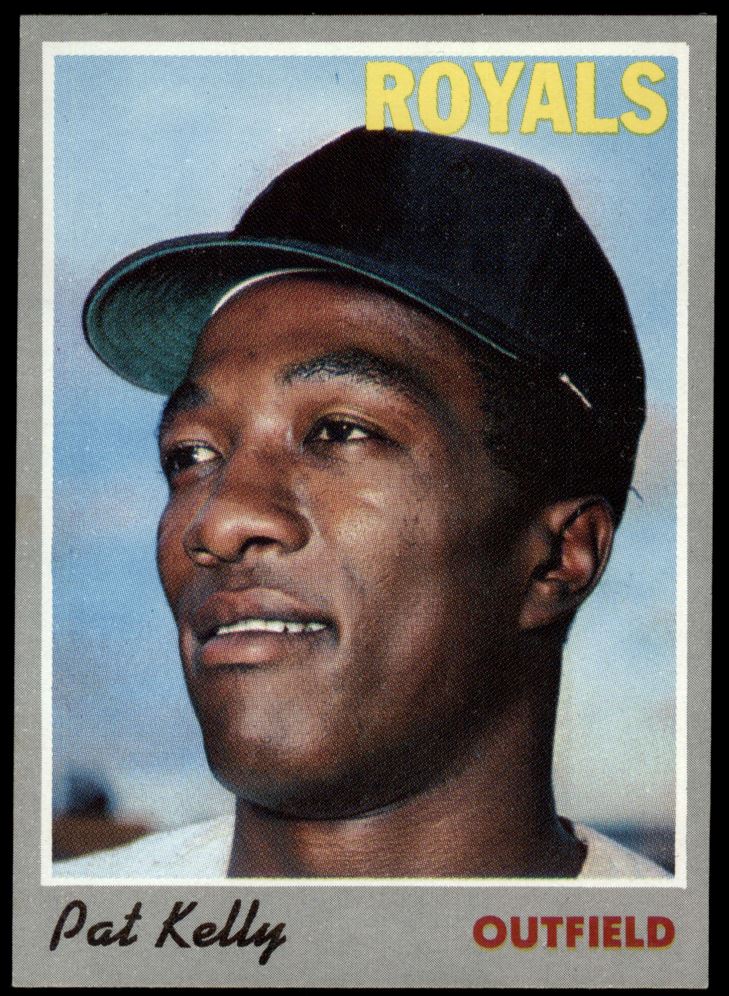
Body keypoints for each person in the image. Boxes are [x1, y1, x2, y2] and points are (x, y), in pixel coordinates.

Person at [55, 127, 669, 879]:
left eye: (340, 432)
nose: (219, 520)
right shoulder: (70, 921)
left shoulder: (661, 944)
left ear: (559, 557)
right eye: (191, 455)